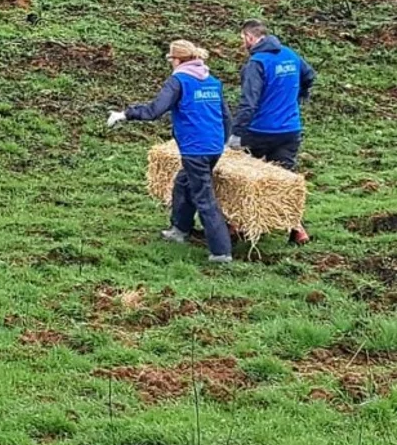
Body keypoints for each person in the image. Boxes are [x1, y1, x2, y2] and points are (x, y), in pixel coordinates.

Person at [108, 39, 234, 263]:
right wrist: (222, 141)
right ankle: (180, 229)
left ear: (177, 60)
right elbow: (226, 115)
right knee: (183, 182)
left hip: (195, 149)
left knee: (204, 198)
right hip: (214, 146)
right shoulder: (212, 81)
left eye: (171, 59)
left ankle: (221, 252)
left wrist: (126, 114)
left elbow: (155, 110)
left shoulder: (179, 81)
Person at [233, 19, 317, 244]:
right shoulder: (290, 55)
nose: (243, 44)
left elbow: (249, 103)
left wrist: (236, 134)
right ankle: (297, 229)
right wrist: (300, 95)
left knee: (246, 181)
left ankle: (240, 227)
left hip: (258, 131)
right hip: (290, 130)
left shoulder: (257, 63)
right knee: (284, 181)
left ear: (251, 38)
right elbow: (309, 76)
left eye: (242, 39)